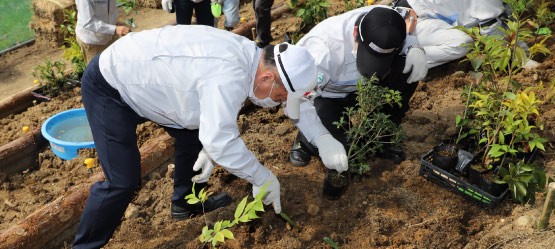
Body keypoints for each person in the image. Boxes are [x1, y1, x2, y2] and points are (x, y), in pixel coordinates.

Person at [72, 24, 348, 248]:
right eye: (279, 98)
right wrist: (261, 176)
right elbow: (221, 140)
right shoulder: (228, 76)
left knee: (193, 137)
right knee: (123, 180)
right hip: (113, 83)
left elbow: (289, 100)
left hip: (157, 82)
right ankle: (85, 246)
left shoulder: (256, 60)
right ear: (266, 79)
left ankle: (183, 204)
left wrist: (322, 137)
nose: (278, 105)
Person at [289, 5, 428, 167]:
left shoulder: (388, 20)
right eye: (370, 56)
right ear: (356, 33)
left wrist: (415, 46)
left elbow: (407, 26)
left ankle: (379, 139)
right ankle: (304, 141)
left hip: (367, 88)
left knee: (406, 69)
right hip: (327, 96)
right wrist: (320, 137)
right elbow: (298, 101)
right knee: (345, 152)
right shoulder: (322, 51)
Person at [394, 0, 539, 69]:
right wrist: (519, 61)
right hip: (412, 19)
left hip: (429, 13)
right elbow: (492, 27)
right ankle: (403, 61)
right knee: (460, 43)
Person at [75, 0, 130, 64]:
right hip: (93, 41)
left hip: (110, 34)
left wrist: (116, 24)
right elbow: (88, 22)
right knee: (98, 69)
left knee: (116, 63)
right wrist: (114, 29)